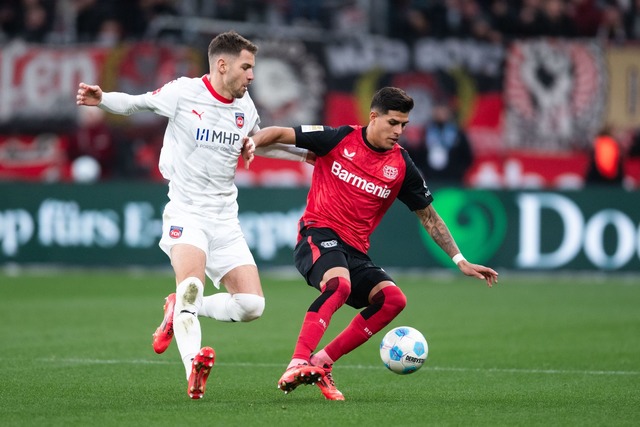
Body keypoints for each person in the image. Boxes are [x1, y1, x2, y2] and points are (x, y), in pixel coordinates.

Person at [76, 30, 308, 399]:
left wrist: (307, 156)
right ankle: (193, 369)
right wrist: (102, 99)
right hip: (187, 212)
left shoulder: (245, 108)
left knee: (252, 306)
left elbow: (259, 143)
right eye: (246, 67)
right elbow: (136, 104)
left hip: (225, 218)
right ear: (222, 64)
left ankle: (180, 309)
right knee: (192, 286)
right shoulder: (184, 92)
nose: (251, 75)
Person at [244, 87, 499, 401]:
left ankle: (321, 363)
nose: (398, 131)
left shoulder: (402, 166)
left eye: (404, 125)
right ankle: (297, 361)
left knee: (393, 300)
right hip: (317, 233)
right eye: (393, 123)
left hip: (354, 250)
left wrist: (461, 260)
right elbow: (280, 133)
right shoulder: (336, 138)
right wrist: (252, 142)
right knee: (339, 286)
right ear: (373, 116)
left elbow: (430, 217)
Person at [408, 101, 473, 185]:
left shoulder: (457, 132)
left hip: (453, 179)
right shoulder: (425, 132)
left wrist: (459, 171)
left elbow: (467, 156)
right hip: (430, 179)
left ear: (449, 112)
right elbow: (418, 153)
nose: (440, 113)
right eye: (438, 110)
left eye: (443, 110)